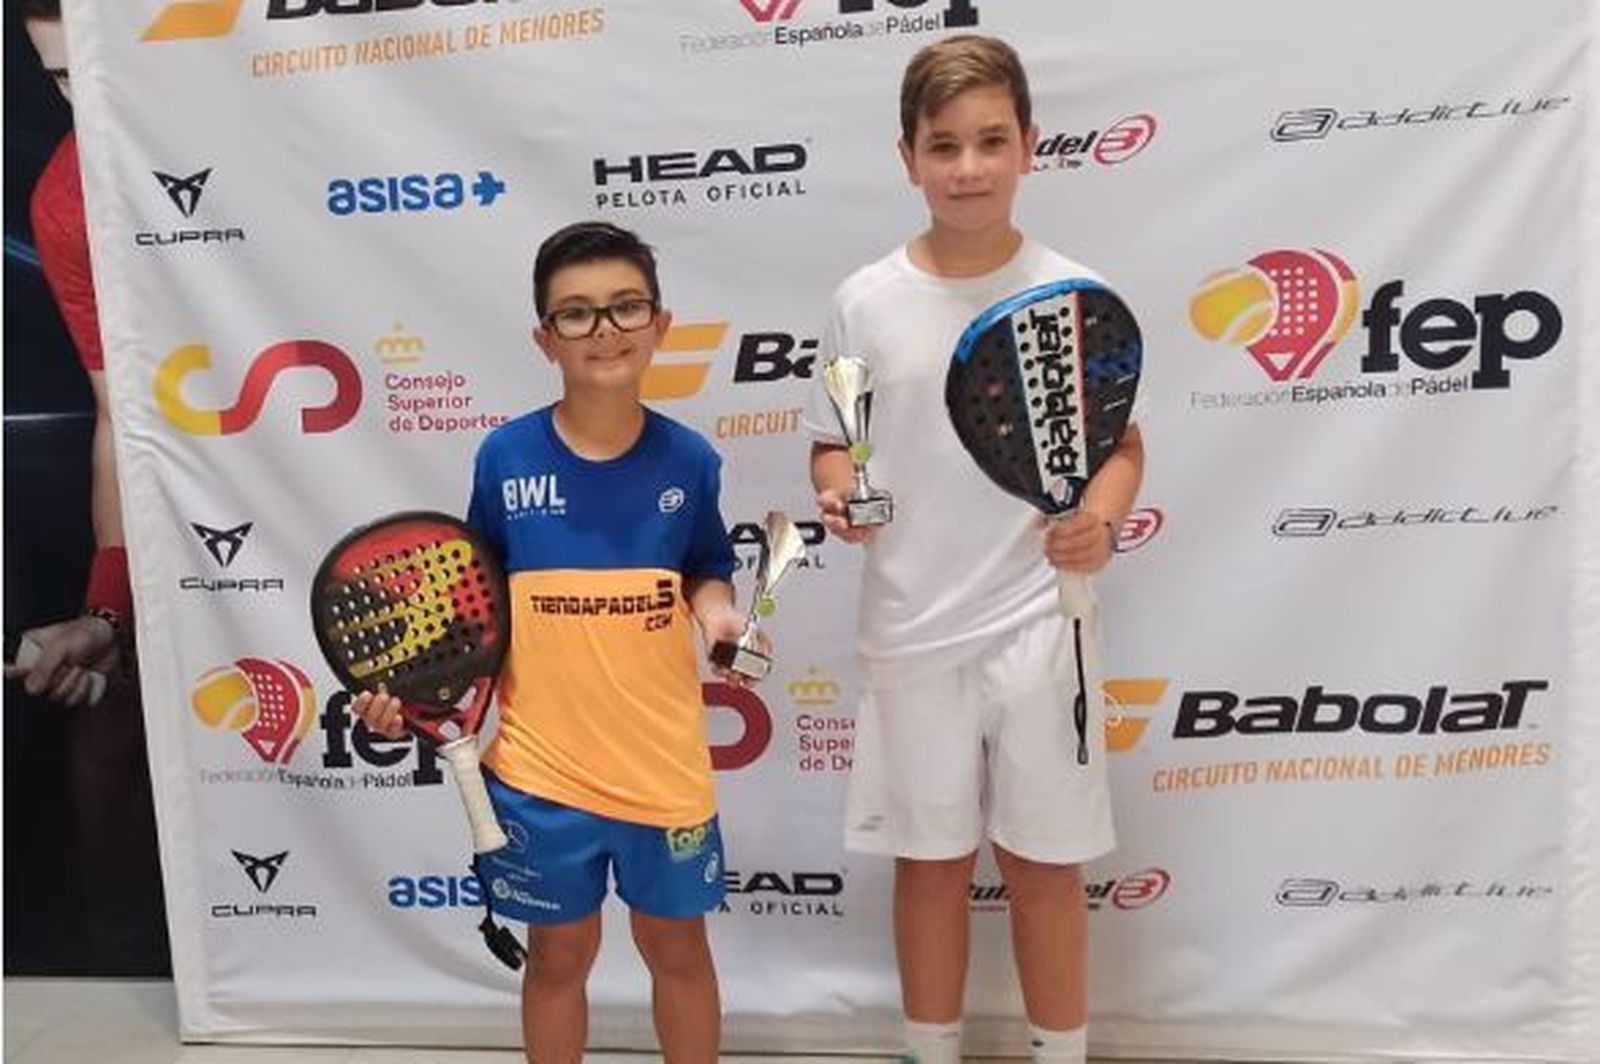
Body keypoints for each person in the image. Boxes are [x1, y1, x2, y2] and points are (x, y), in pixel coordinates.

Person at [803, 35, 1146, 1064]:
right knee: (931, 859)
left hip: (1047, 620)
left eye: (991, 141)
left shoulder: (1073, 292)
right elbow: (835, 445)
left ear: (1030, 146)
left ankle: (1061, 1052)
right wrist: (839, 497)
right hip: (911, 627)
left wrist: (1104, 515)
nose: (968, 167)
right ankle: (929, 1048)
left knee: (1045, 864)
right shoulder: (864, 302)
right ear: (907, 156)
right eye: (942, 145)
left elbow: (1118, 444)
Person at [353, 221, 751, 1064]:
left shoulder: (691, 461)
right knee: (560, 958)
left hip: (664, 768)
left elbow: (707, 569)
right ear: (544, 338)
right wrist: (407, 697)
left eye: (624, 307)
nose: (604, 330)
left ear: (660, 324)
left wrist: (717, 615)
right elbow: (463, 610)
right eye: (576, 314)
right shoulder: (505, 456)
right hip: (540, 772)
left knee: (678, 952)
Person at [7, 0, 132, 707]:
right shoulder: (66, 202)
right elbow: (120, 416)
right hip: (212, 524)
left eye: (103, 70)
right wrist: (107, 611)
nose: (91, 104)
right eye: (63, 80)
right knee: (107, 741)